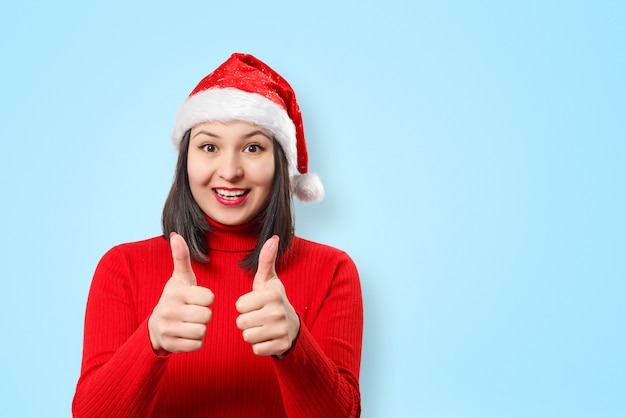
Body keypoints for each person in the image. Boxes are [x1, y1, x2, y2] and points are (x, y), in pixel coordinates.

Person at [72, 53, 363, 417]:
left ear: (280, 164)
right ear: (186, 160)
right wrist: (151, 341)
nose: (229, 171)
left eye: (253, 147)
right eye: (209, 146)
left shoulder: (333, 271)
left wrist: (294, 345)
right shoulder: (122, 268)